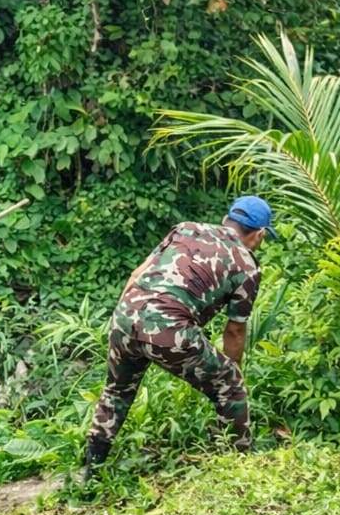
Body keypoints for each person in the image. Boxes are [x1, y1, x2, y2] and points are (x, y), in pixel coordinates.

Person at [84, 196, 275, 476]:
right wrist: (229, 379)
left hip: (125, 315)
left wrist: (122, 319)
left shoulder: (185, 228)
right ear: (259, 234)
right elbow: (235, 330)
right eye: (263, 238)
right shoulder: (247, 265)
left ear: (226, 220)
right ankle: (238, 465)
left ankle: (91, 468)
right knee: (230, 382)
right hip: (168, 327)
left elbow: (138, 273)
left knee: (117, 390)